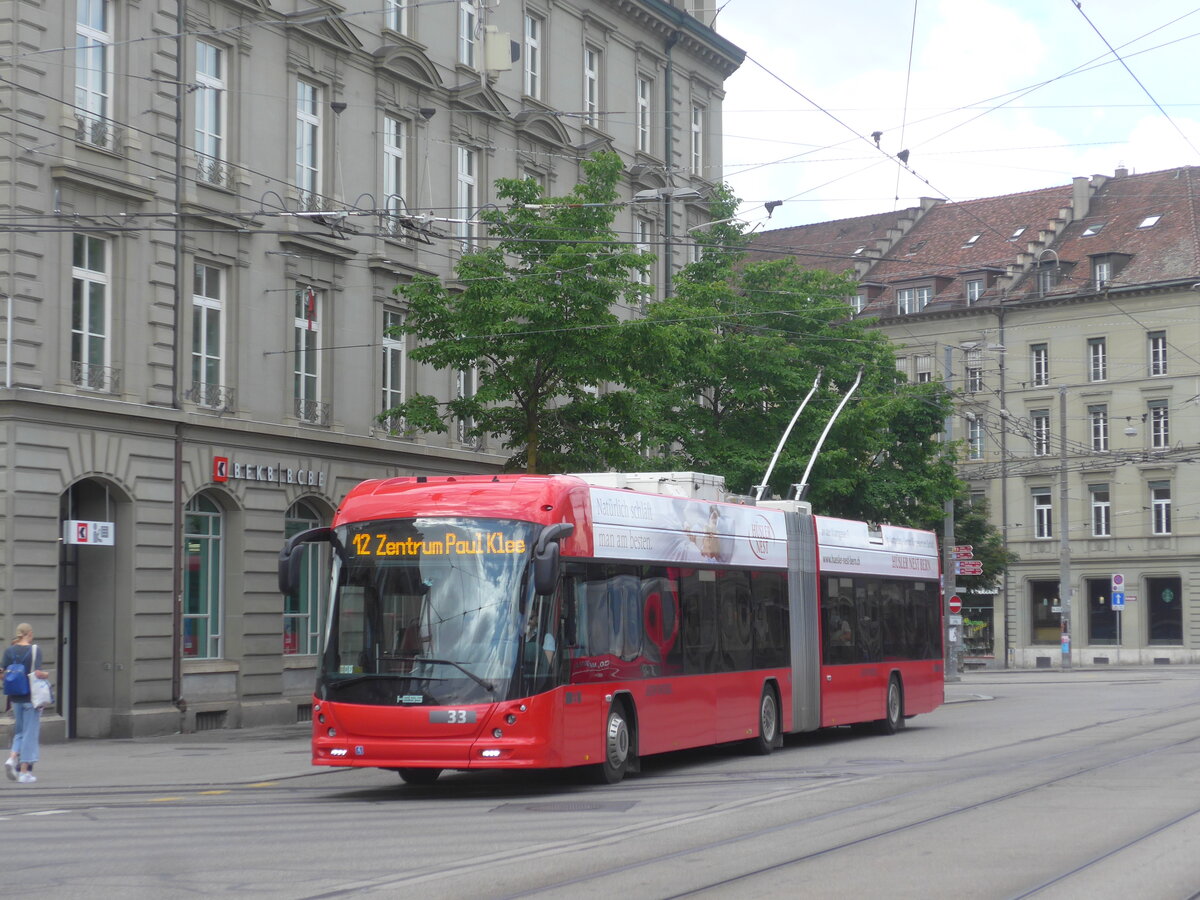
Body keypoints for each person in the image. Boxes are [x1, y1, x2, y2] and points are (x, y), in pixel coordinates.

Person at [4, 623, 47, 784]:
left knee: (20, 732)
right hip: (31, 698)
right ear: (29, 633)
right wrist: (46, 674)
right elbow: (37, 673)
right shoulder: (34, 650)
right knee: (30, 734)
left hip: (15, 698)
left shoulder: (9, 651)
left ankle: (11, 758)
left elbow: (2, 673)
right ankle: (24, 773)